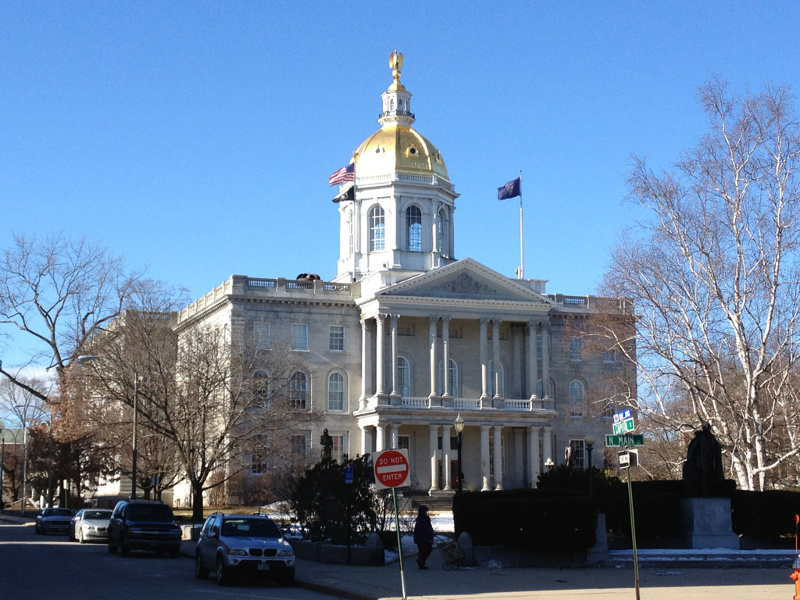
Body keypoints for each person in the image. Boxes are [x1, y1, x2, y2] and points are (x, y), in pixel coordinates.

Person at [413, 505, 434, 570]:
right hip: (421, 538)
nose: (426, 513)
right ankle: (421, 563)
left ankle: (421, 561)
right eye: (425, 512)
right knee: (423, 550)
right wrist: (429, 532)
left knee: (427, 549)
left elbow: (428, 527)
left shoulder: (426, 519)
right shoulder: (421, 520)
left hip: (425, 538)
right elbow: (423, 529)